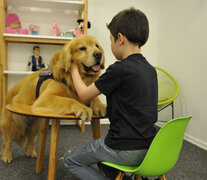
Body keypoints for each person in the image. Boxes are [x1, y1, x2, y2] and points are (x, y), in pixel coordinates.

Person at [64, 7, 158, 180]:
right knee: (102, 161)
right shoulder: (150, 70)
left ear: (120, 39)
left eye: (110, 40)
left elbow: (84, 94)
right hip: (151, 149)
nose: (110, 45)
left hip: (121, 147)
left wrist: (73, 69)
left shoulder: (119, 69)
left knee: (70, 159)